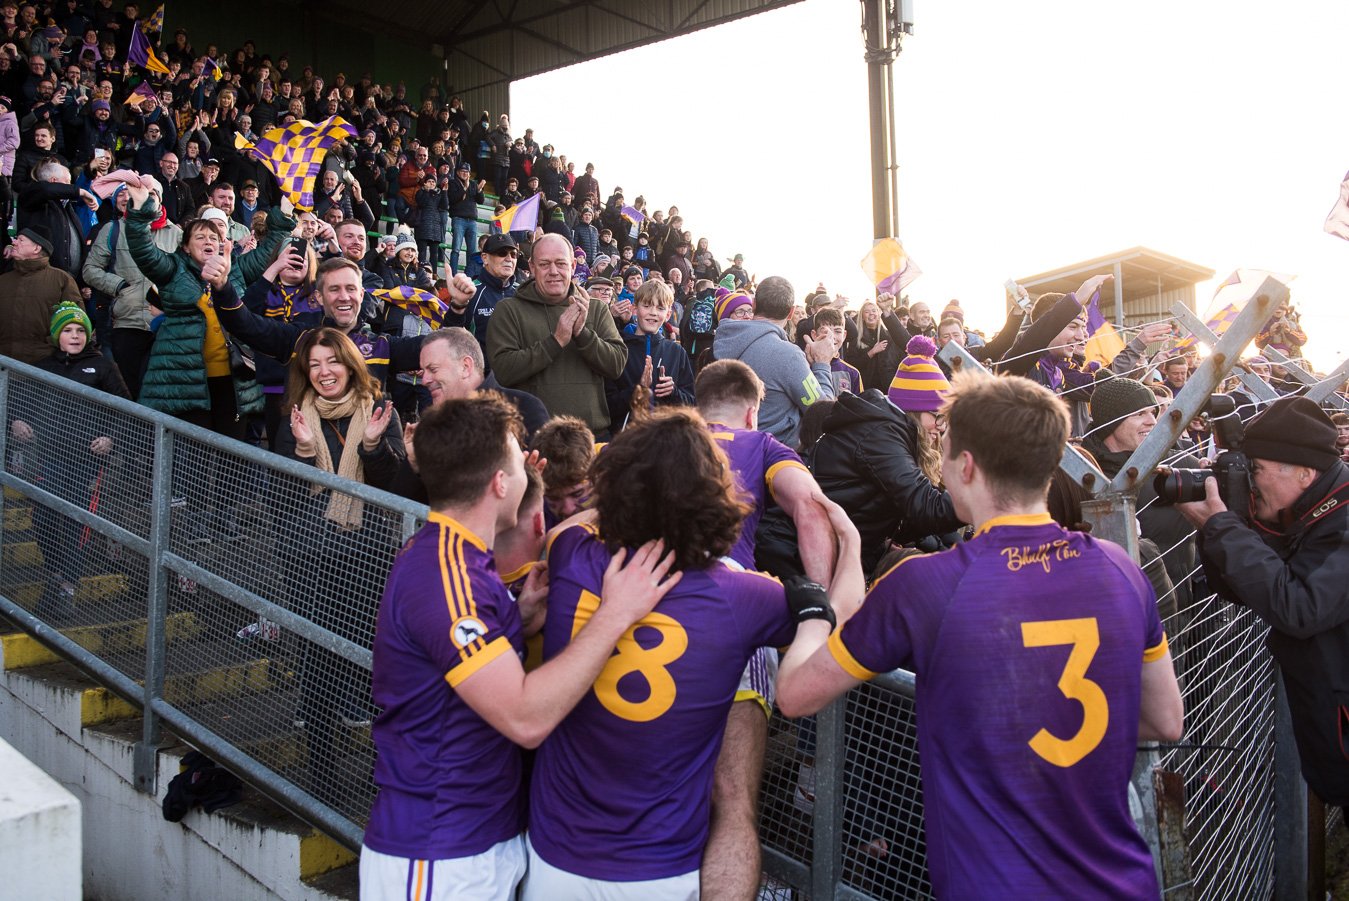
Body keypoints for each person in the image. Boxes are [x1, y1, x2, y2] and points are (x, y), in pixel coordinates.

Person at [777, 373, 1184, 899]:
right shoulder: (1120, 568)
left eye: (943, 453)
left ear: (966, 465)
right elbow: (1165, 719)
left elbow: (794, 694)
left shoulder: (923, 582)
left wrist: (819, 609)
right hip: (1120, 881)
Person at [361, 392, 678, 901]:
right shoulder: (446, 578)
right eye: (519, 457)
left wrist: (517, 617)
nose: (534, 470)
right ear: (500, 483)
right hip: (439, 853)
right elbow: (526, 719)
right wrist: (616, 613)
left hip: (479, 841)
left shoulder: (463, 557)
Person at [524, 407, 840, 900]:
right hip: (662, 870)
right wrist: (853, 546)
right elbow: (834, 618)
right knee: (735, 803)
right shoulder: (747, 597)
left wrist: (626, 500)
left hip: (556, 860)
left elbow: (575, 523)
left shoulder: (571, 554)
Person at [1176, 395, 1349, 815]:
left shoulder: (1341, 522)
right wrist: (1223, 524)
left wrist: (1226, 530)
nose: (1251, 483)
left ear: (1305, 474)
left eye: (1255, 471)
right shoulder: (1317, 515)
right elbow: (1248, 588)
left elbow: (1298, 607)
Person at [272, 326, 405, 787]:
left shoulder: (381, 410)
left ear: (351, 363)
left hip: (369, 556)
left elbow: (398, 488)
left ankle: (379, 772)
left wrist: (373, 447)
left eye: (333, 361)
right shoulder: (294, 417)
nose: (325, 372)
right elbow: (279, 498)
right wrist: (305, 454)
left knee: (376, 664)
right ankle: (323, 773)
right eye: (315, 364)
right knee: (317, 662)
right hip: (309, 558)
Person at [8, 302, 128, 610]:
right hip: (48, 455)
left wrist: (110, 438)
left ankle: (67, 587)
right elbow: (20, 401)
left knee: (76, 521)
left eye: (80, 330)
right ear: (55, 335)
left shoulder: (102, 366)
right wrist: (17, 420)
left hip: (87, 460)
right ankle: (55, 573)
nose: (74, 336)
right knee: (44, 518)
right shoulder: (44, 366)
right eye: (67, 330)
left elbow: (127, 408)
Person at [487, 233, 627, 436]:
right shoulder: (508, 310)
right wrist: (555, 341)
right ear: (532, 268)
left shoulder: (596, 309)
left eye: (561, 263)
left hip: (591, 436)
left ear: (572, 266)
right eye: (544, 264)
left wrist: (582, 333)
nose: (553, 271)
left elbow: (616, 365)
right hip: (533, 438)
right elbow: (504, 371)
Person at [83, 185, 182, 400]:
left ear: (160, 199)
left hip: (166, 324)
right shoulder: (113, 229)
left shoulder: (177, 233)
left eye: (152, 195)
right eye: (142, 196)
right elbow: (90, 270)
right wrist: (120, 287)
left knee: (160, 392)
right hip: (128, 322)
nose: (147, 200)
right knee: (129, 390)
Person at [712, 275, 835, 448]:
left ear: (754, 305)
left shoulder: (721, 342)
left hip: (728, 451)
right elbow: (823, 414)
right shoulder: (788, 355)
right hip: (772, 460)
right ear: (791, 312)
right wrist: (822, 363)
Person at [605, 280, 695, 430]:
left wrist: (674, 392)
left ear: (667, 314)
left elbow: (691, 403)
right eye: (646, 306)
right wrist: (637, 390)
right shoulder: (619, 348)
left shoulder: (677, 352)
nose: (653, 312)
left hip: (666, 440)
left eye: (660, 308)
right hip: (625, 440)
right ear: (635, 309)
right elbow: (607, 405)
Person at [0, 226, 81, 362]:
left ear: (36, 248)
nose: (14, 242)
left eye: (20, 240)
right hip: (4, 363)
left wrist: (52, 348)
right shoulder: (3, 280)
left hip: (45, 364)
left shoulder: (61, 280)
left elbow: (75, 321)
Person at [444, 232, 520, 358]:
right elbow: (450, 339)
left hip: (516, 374)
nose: (509, 259)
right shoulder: (470, 291)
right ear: (485, 258)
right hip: (481, 375)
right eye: (502, 253)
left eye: (513, 254)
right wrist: (458, 304)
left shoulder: (522, 292)